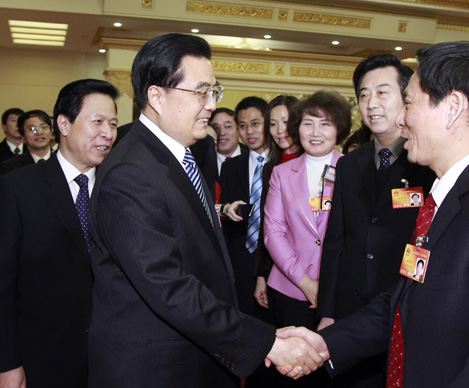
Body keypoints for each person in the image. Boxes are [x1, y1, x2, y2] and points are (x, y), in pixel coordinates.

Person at [87, 33, 327, 388]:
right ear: (156, 96)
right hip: (156, 368)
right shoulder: (131, 173)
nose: (211, 105)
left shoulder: (179, 156)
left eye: (214, 91)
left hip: (195, 355)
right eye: (200, 92)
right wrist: (268, 342)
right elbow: (169, 288)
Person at [280, 40, 469, 388]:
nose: (399, 118)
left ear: (452, 108)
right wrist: (326, 342)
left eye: (408, 102)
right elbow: (403, 300)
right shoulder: (448, 197)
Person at [316, 54, 435, 387]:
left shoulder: (426, 163)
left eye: (383, 93)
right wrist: (327, 310)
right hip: (350, 308)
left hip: (402, 305)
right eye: (364, 95)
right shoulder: (349, 165)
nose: (371, 104)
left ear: (408, 97)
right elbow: (336, 240)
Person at [0, 79, 119, 388]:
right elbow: (2, 284)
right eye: (97, 122)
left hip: (112, 358)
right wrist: (7, 363)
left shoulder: (121, 191)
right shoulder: (18, 188)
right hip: (42, 357)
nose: (107, 133)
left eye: (113, 124)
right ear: (64, 124)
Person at [264, 90, 350, 386]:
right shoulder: (281, 172)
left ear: (339, 129)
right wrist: (306, 282)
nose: (315, 132)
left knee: (331, 371)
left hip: (339, 293)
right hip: (290, 289)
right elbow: (273, 232)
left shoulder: (353, 170)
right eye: (308, 123)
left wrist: (326, 287)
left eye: (325, 124)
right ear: (297, 127)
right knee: (292, 373)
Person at [218, 96, 269, 319]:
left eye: (255, 124)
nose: (249, 131)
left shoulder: (283, 166)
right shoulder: (231, 168)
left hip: (274, 262)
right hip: (241, 261)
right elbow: (230, 222)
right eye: (243, 125)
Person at [253, 95, 300, 311]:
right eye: (273, 124)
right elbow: (267, 225)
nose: (280, 129)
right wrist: (262, 275)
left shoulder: (316, 163)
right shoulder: (270, 168)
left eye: (286, 121)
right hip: (276, 272)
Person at [0, 109, 53, 174]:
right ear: (23, 138)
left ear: (51, 133)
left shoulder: (63, 160)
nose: (39, 132)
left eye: (43, 127)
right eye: (31, 129)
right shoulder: (10, 167)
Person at [210, 107, 247, 175]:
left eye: (228, 127)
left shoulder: (252, 157)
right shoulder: (201, 160)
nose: (222, 133)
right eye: (216, 128)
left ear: (238, 130)